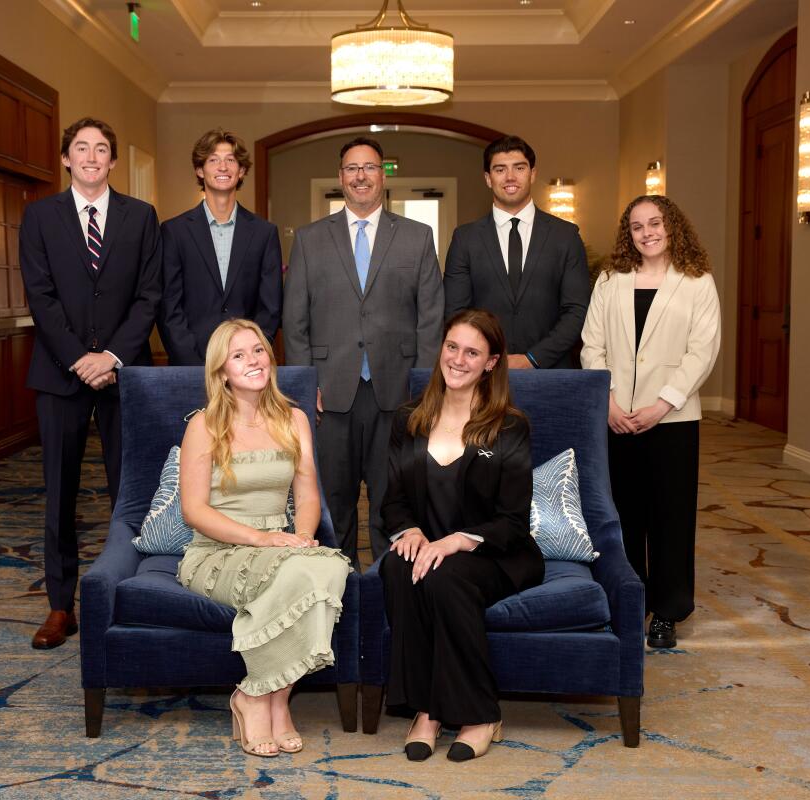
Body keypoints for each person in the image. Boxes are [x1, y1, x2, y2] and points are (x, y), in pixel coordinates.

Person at [177, 319, 350, 758]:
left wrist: (304, 537)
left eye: (258, 351)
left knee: (327, 566)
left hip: (279, 546)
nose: (254, 361)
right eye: (239, 356)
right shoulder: (203, 426)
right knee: (302, 576)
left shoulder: (293, 418)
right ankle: (258, 697)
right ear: (221, 372)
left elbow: (308, 493)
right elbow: (193, 512)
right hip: (217, 551)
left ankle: (271, 696)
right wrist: (262, 539)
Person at [20, 117, 162, 649]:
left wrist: (113, 356)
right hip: (61, 376)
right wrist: (81, 357)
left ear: (113, 161)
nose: (91, 156)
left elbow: (150, 296)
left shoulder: (141, 217)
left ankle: (131, 592)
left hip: (125, 377)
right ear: (65, 158)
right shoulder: (39, 217)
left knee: (130, 490)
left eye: (102, 149)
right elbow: (41, 296)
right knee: (60, 493)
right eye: (81, 148)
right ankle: (62, 606)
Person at [380, 309, 545, 763]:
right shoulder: (408, 419)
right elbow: (391, 500)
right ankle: (427, 710)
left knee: (445, 575)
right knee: (398, 565)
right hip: (428, 545)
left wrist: (456, 540)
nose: (458, 359)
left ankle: (479, 713)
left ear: (491, 362)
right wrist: (409, 529)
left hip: (496, 554)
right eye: (452, 346)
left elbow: (513, 519)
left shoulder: (510, 427)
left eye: (472, 352)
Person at [283, 136, 444, 562]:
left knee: (392, 499)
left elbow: (431, 318)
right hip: (329, 393)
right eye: (352, 168)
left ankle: (385, 593)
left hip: (398, 394)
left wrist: (423, 386)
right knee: (334, 501)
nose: (360, 176)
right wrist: (304, 384)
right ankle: (338, 594)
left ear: (383, 176)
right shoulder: (310, 239)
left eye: (370, 167)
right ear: (340, 177)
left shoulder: (417, 237)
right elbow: (294, 320)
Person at [580, 195, 721, 649]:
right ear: (629, 234)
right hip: (617, 417)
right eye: (637, 226)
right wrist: (608, 403)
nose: (647, 232)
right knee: (621, 515)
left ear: (672, 226)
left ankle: (667, 609)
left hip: (673, 420)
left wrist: (663, 405)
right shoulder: (610, 280)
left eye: (655, 223)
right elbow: (591, 345)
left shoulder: (698, 282)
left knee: (670, 517)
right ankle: (630, 601)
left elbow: (703, 351)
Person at [443, 135, 589, 368]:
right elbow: (456, 313)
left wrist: (534, 359)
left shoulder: (566, 236)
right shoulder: (465, 239)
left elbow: (577, 311)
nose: (510, 177)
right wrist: (488, 359)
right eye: (500, 169)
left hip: (552, 373)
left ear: (532, 174)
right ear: (488, 179)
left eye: (519, 168)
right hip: (483, 372)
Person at [159, 128, 282, 365]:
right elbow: (168, 306)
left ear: (242, 170)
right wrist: (192, 362)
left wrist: (251, 356)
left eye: (231, 160)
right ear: (199, 170)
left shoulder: (264, 233)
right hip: (191, 364)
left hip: (249, 367)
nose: (222, 167)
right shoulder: (174, 231)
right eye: (213, 160)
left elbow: (271, 307)